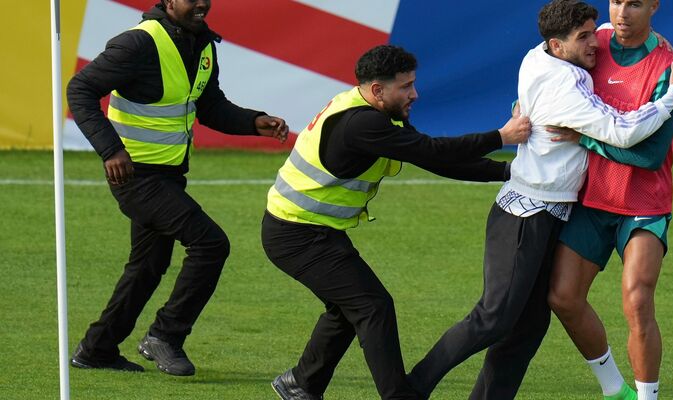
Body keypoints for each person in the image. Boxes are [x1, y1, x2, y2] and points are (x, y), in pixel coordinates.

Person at [406, 1, 673, 399]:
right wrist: (670, 99)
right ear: (558, 46)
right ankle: (408, 389)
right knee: (511, 313)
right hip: (545, 210)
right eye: (586, 36)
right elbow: (620, 133)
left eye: (633, 4)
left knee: (536, 325)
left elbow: (646, 152)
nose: (601, 36)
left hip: (588, 208)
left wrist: (564, 126)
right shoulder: (572, 74)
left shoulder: (548, 57)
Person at [261, 44, 531, 400]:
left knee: (350, 308)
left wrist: (507, 172)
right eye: (405, 86)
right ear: (378, 90)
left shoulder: (371, 110)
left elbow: (431, 159)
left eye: (413, 84)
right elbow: (434, 152)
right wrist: (500, 138)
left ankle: (301, 382)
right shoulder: (363, 124)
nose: (414, 94)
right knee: (373, 306)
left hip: (310, 230)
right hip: (295, 234)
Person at [66, 0, 288, 376]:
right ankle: (164, 337)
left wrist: (254, 121)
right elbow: (80, 89)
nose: (202, 2)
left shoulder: (201, 44)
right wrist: (110, 150)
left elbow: (210, 106)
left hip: (168, 175)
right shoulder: (136, 44)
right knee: (210, 244)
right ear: (168, 1)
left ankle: (97, 349)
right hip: (135, 177)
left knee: (148, 266)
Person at [547, 0, 673, 399]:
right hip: (592, 199)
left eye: (635, 4)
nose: (622, 12)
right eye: (615, 1)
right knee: (563, 296)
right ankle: (615, 391)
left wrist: (585, 137)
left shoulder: (669, 69)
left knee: (637, 300)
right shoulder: (592, 44)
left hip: (644, 204)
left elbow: (648, 155)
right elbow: (548, 78)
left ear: (655, 6)